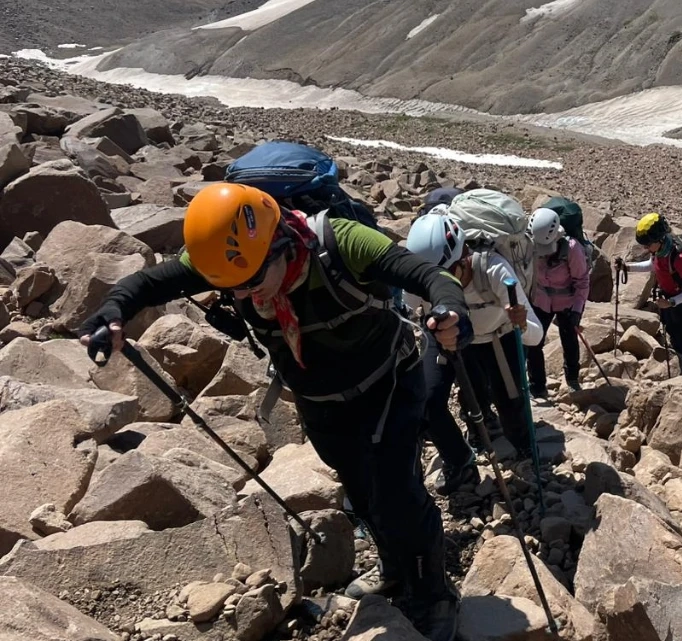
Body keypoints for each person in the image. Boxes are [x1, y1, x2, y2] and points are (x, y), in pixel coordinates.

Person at [77, 183, 468, 641]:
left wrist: (449, 309)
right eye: (230, 288)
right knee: (362, 494)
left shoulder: (341, 241)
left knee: (397, 493)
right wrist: (112, 311)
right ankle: (395, 568)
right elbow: (148, 282)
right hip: (319, 401)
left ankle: (433, 593)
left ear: (280, 242)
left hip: (389, 386)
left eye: (250, 282)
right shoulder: (232, 261)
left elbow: (427, 276)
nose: (242, 297)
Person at [406, 209, 543, 458]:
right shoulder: (424, 277)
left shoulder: (494, 269)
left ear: (464, 257)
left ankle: (523, 446)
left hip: (498, 338)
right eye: (431, 279)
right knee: (467, 397)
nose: (440, 286)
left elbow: (536, 336)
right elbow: (404, 307)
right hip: (457, 339)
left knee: (509, 400)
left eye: (447, 275)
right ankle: (475, 441)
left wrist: (520, 323)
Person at [404, 211, 479, 497]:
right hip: (439, 332)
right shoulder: (419, 270)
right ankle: (461, 458)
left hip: (484, 334)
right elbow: (408, 306)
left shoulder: (486, 266)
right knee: (429, 400)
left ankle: (484, 431)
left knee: (480, 393)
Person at [616, 213, 682, 376]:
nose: (645, 248)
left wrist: (672, 302)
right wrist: (627, 267)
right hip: (669, 302)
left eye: (648, 244)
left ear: (660, 239)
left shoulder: (679, 258)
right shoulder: (660, 252)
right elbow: (652, 265)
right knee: (675, 338)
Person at [525, 208, 590, 395]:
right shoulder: (531, 243)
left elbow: (582, 282)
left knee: (569, 339)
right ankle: (537, 385)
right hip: (540, 300)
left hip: (567, 302)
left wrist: (577, 311)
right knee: (534, 340)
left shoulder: (572, 249)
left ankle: (572, 379)